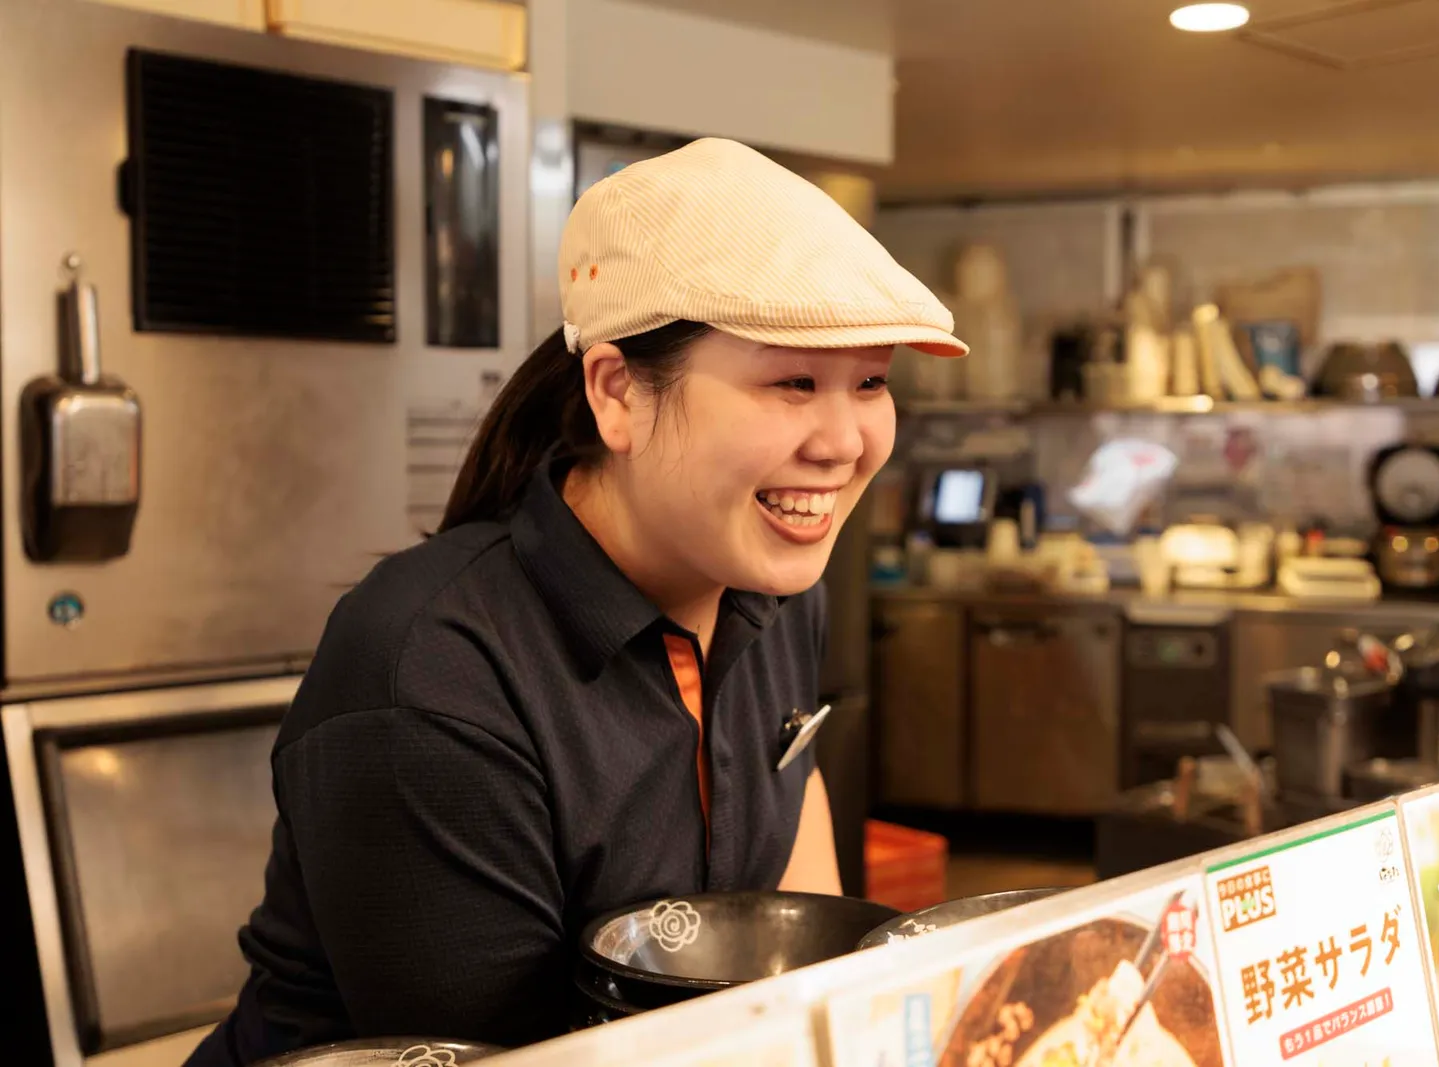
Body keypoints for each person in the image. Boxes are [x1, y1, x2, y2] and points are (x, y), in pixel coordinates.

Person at [185, 137, 966, 1066]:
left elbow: (797, 911)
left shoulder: (776, 590)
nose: (844, 439)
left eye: (870, 382)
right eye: (792, 381)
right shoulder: (432, 673)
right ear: (616, 393)